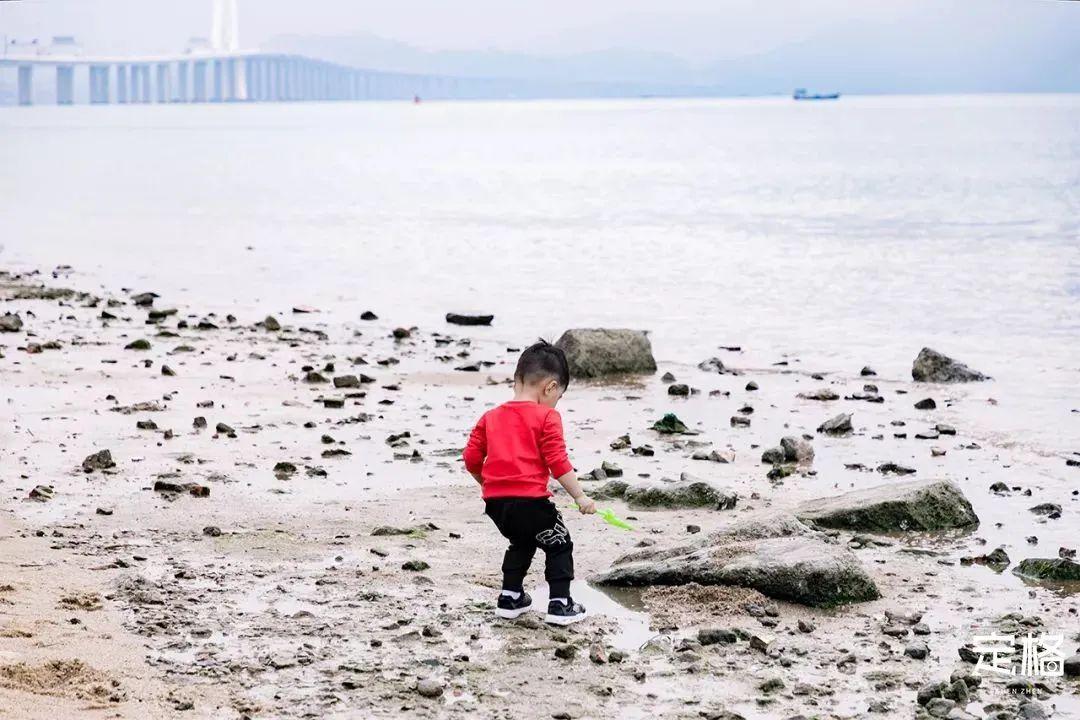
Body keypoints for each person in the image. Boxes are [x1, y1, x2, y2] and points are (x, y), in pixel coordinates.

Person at [462, 340, 596, 625]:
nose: (555, 403)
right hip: (532, 503)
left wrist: (490, 486)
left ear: (517, 379)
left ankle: (510, 598)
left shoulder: (490, 417)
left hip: (497, 506)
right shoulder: (547, 416)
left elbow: (471, 458)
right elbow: (558, 462)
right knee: (559, 544)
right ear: (550, 387)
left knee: (520, 542)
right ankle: (560, 603)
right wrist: (580, 497)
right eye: (557, 396)